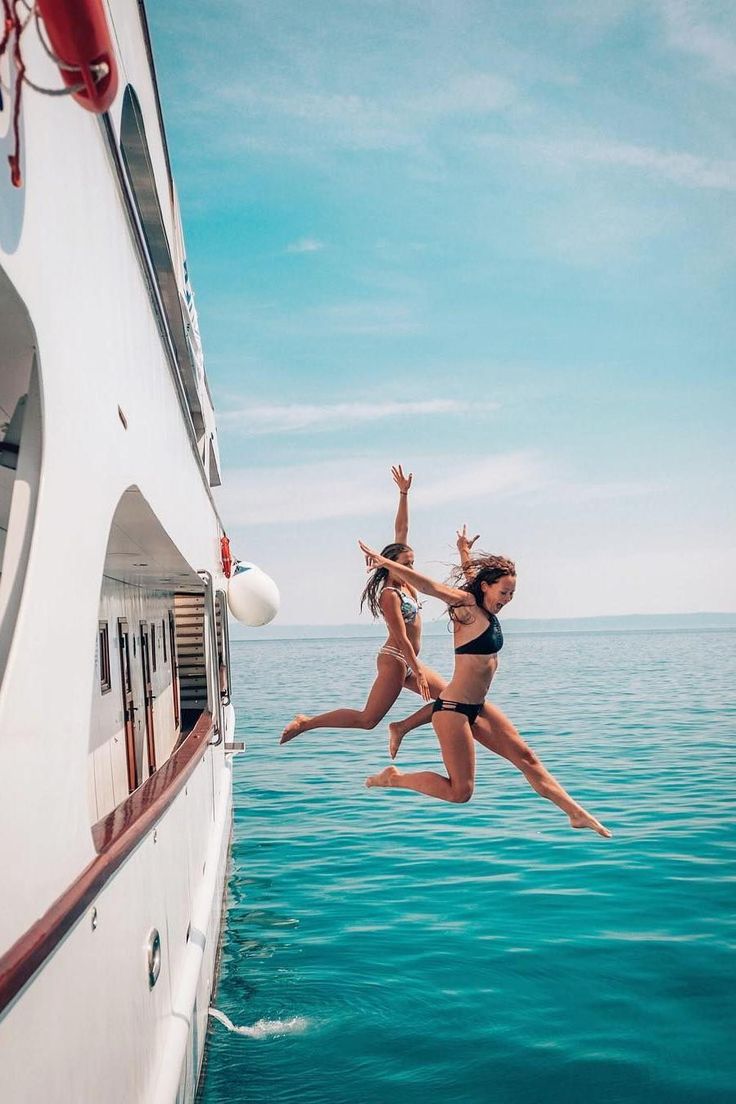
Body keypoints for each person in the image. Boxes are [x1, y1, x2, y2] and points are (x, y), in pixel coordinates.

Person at [358, 536, 612, 838]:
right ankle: (393, 779)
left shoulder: (482, 606)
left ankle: (576, 813)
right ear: (486, 588)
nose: (507, 599)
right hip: (452, 712)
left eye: (512, 594)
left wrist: (464, 551)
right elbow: (430, 587)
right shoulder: (465, 607)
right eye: (504, 592)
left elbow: (473, 580)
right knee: (459, 792)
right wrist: (386, 563)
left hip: (478, 707)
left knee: (528, 758)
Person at [280, 466, 446, 744]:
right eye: (407, 564)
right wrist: (417, 669)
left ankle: (402, 727)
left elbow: (401, 529)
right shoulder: (389, 594)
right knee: (367, 720)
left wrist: (403, 493)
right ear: (392, 565)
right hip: (396, 660)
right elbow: (402, 638)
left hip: (409, 662)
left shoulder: (406, 584)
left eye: (412, 562)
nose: (412, 567)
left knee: (452, 698)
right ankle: (306, 722)